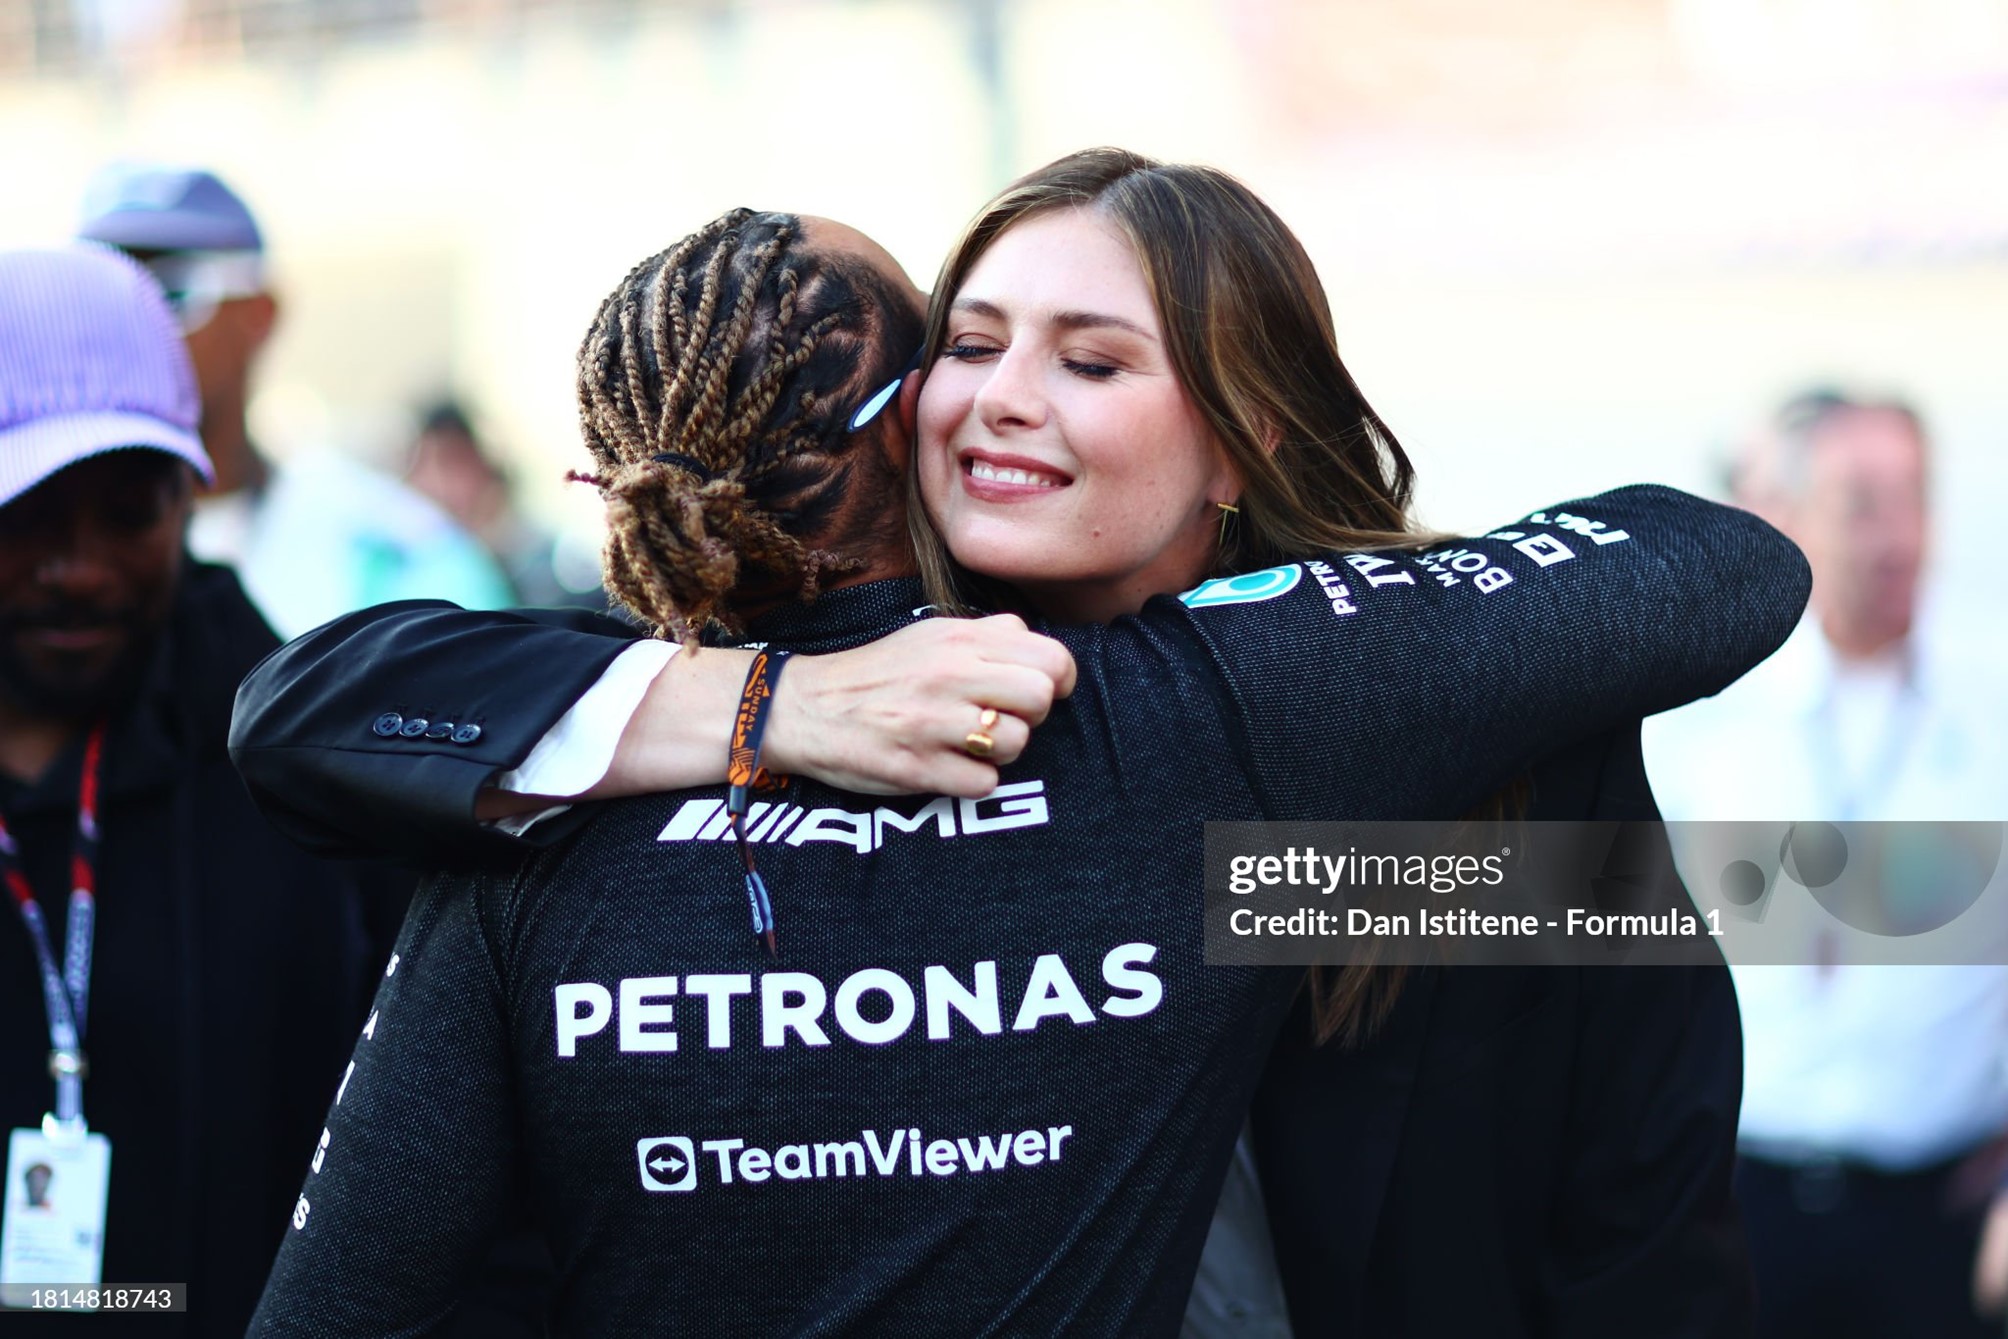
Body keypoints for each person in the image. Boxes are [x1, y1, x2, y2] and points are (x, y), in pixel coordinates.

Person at [242, 171, 1801, 1333]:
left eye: (1092, 360)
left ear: (1242, 432)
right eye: (971, 345)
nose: (1002, 400)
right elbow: (304, 707)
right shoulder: (715, 712)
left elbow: (1650, 1198)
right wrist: (769, 711)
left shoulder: (1366, 728)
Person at [0, 244, 365, 1335]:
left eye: (127, 512)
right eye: (28, 513)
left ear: (187, 503)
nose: (80, 565)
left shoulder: (302, 776)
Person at [1643, 388, 2008, 1339]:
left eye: (1914, 498)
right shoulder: (1696, 715)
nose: (1896, 535)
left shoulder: (1993, 710)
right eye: (1862, 503)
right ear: (1790, 517)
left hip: (1948, 1219)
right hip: (1736, 1203)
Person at [77, 164, 514, 639]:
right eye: (97, 294)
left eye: (170, 290)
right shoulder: (36, 559)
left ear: (260, 314)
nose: (132, 326)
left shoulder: (394, 554)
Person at [404, 399, 606, 609]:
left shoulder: (553, 559)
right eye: (423, 469)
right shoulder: (431, 570)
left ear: (484, 457)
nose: (439, 483)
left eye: (451, 463)